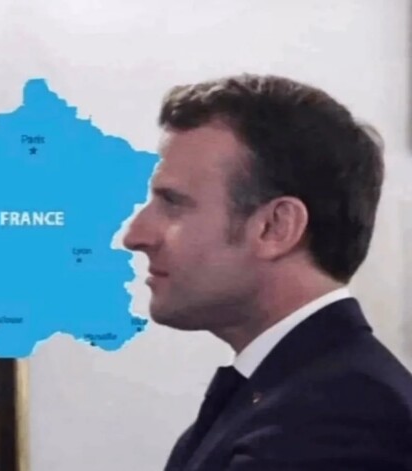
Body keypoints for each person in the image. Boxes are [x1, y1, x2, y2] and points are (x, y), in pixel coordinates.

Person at [122, 74, 412, 470]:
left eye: (173, 203)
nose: (136, 236)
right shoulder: (296, 395)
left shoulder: (337, 422)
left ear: (276, 227)